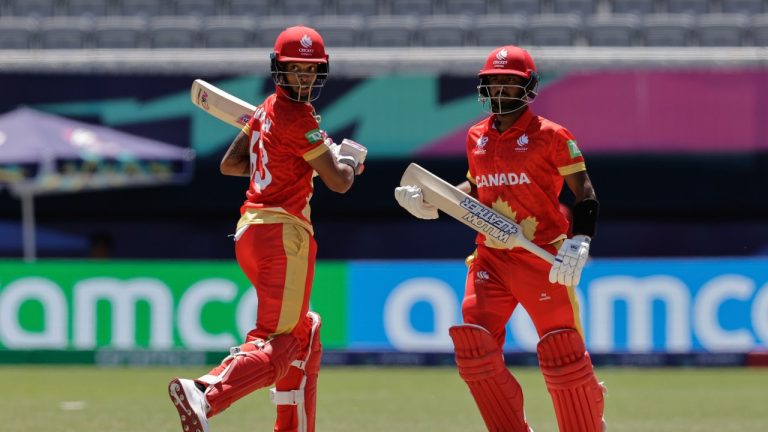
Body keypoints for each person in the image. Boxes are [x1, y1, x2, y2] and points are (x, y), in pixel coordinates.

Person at [395, 45, 606, 432]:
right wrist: (433, 200)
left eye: (510, 82)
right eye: (494, 81)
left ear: (527, 87)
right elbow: (475, 189)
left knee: (564, 354)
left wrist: (581, 239)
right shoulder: (476, 136)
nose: (500, 89)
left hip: (543, 257)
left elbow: (585, 192)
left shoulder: (552, 136)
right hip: (491, 257)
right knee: (474, 347)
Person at [168, 25, 365, 432]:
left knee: (306, 330)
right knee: (279, 340)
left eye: (310, 71)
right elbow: (339, 183)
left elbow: (232, 164)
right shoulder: (299, 118)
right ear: (280, 69)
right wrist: (346, 162)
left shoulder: (266, 111)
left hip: (252, 232)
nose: (303, 78)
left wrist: (295, 154)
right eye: (296, 69)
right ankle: (206, 392)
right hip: (282, 232)